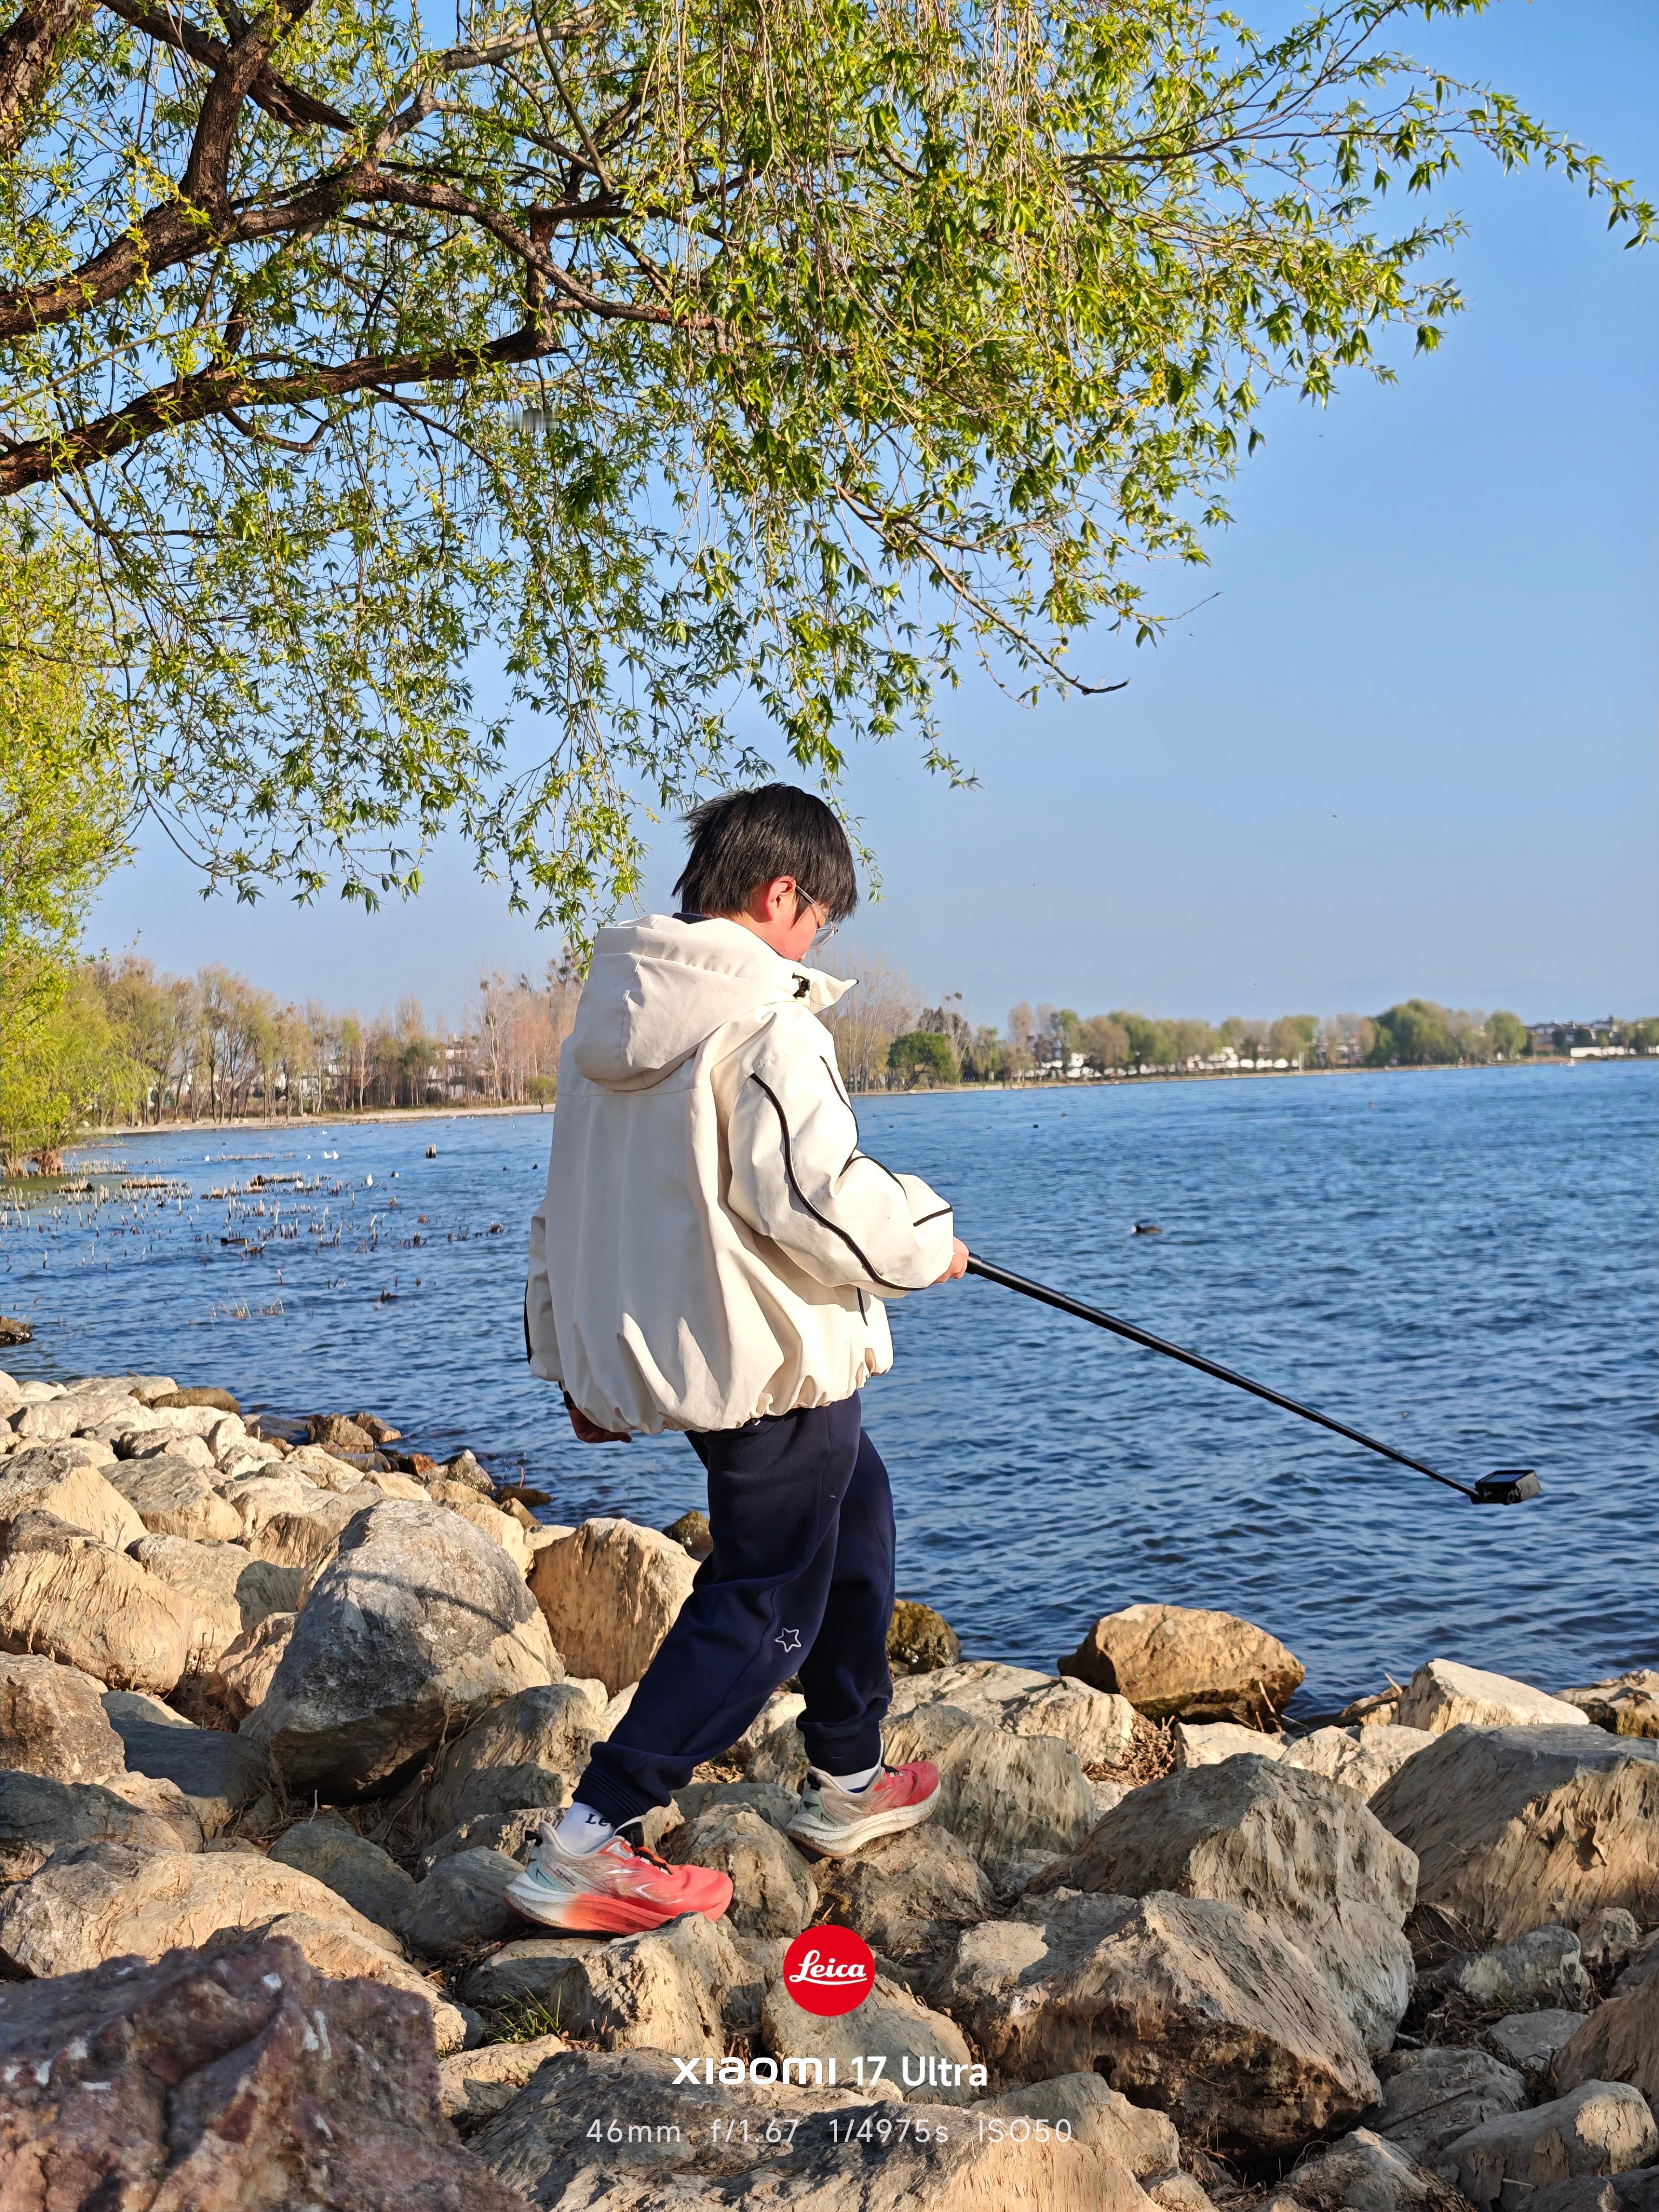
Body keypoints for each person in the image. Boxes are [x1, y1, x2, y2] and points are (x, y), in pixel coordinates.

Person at [510, 783, 967, 1936]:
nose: (818, 943)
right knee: (767, 1601)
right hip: (770, 1364)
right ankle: (589, 1838)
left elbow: (565, 1214)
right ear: (780, 894)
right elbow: (814, 1196)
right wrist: (927, 1241)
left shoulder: (606, 1029)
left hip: (720, 1368)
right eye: (820, 920)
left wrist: (575, 1363)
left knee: (856, 1513)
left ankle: (848, 1772)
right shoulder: (764, 1021)